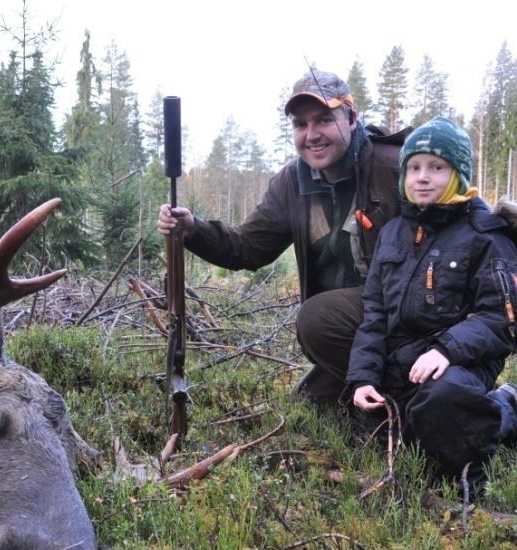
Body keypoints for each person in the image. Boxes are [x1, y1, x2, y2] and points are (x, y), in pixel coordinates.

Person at [157, 71, 404, 407]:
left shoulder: (396, 169)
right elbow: (248, 247)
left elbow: (463, 218)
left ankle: (413, 398)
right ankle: (384, 394)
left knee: (316, 319)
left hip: (405, 317)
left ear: (351, 118)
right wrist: (194, 229)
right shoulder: (292, 181)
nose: (312, 135)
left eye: (323, 120)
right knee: (309, 406)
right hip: (357, 334)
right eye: (300, 125)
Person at [346, 116, 517, 488]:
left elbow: (508, 318)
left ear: (458, 174)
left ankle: (473, 472)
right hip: (402, 362)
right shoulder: (391, 234)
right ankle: (501, 411)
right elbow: (375, 315)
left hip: (460, 365)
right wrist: (362, 378)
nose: (422, 177)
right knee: (382, 423)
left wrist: (446, 350)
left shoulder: (485, 235)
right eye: (414, 167)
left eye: (437, 167)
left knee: (442, 404)